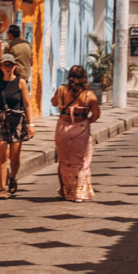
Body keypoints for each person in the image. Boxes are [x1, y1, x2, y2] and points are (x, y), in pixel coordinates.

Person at [0, 52, 33, 197]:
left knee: (15, 156)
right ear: (1, 66)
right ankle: (2, 188)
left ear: (14, 67)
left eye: (10, 65)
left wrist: (31, 125)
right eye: (5, 65)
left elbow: (27, 105)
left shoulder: (20, 82)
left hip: (17, 120)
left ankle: (12, 178)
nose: (7, 67)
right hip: (1, 120)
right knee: (2, 156)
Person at [51, 65, 100, 201]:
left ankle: (66, 191)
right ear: (84, 77)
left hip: (62, 128)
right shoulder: (89, 95)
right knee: (82, 161)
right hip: (81, 128)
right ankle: (79, 192)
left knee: (64, 161)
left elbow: (54, 102)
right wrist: (86, 122)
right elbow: (96, 114)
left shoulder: (62, 90)